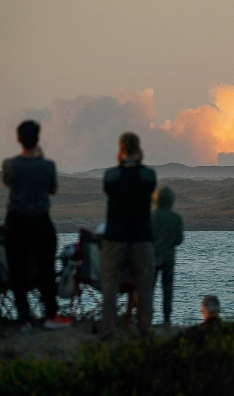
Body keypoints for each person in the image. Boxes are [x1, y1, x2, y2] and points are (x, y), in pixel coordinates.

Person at [2, 120, 71, 331]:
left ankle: (23, 318)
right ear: (38, 139)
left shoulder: (9, 165)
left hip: (15, 221)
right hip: (40, 221)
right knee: (46, 269)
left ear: (18, 139)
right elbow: (53, 189)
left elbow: (7, 183)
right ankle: (50, 314)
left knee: (18, 270)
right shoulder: (47, 166)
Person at [100, 132, 157, 339]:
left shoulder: (111, 176)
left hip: (114, 236)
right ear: (139, 149)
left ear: (120, 150)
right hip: (141, 237)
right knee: (144, 285)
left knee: (110, 284)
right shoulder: (148, 175)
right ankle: (144, 329)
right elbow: (150, 189)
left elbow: (109, 191)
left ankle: (108, 330)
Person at [151, 186, 184, 326]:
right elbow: (179, 240)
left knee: (149, 288)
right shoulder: (176, 218)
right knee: (167, 288)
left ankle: (147, 317)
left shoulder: (150, 217)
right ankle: (167, 318)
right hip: (169, 258)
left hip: (152, 258)